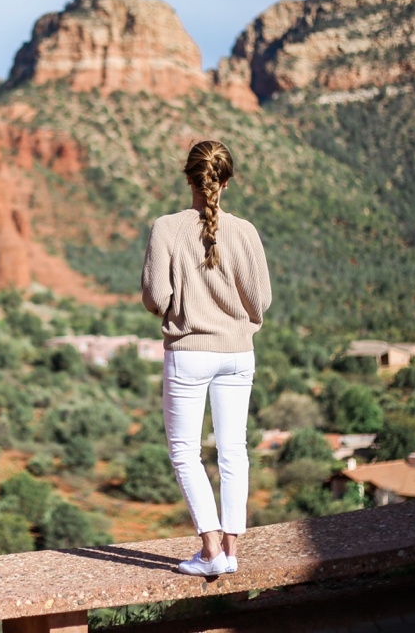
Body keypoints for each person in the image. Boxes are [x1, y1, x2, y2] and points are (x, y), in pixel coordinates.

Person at [141, 140, 271, 576]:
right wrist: (239, 320)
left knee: (185, 452)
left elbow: (155, 297)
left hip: (190, 353)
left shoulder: (166, 228)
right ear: (227, 182)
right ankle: (231, 552)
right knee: (234, 448)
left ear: (188, 178)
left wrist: (182, 303)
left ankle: (211, 550)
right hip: (238, 352)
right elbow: (262, 300)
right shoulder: (246, 231)